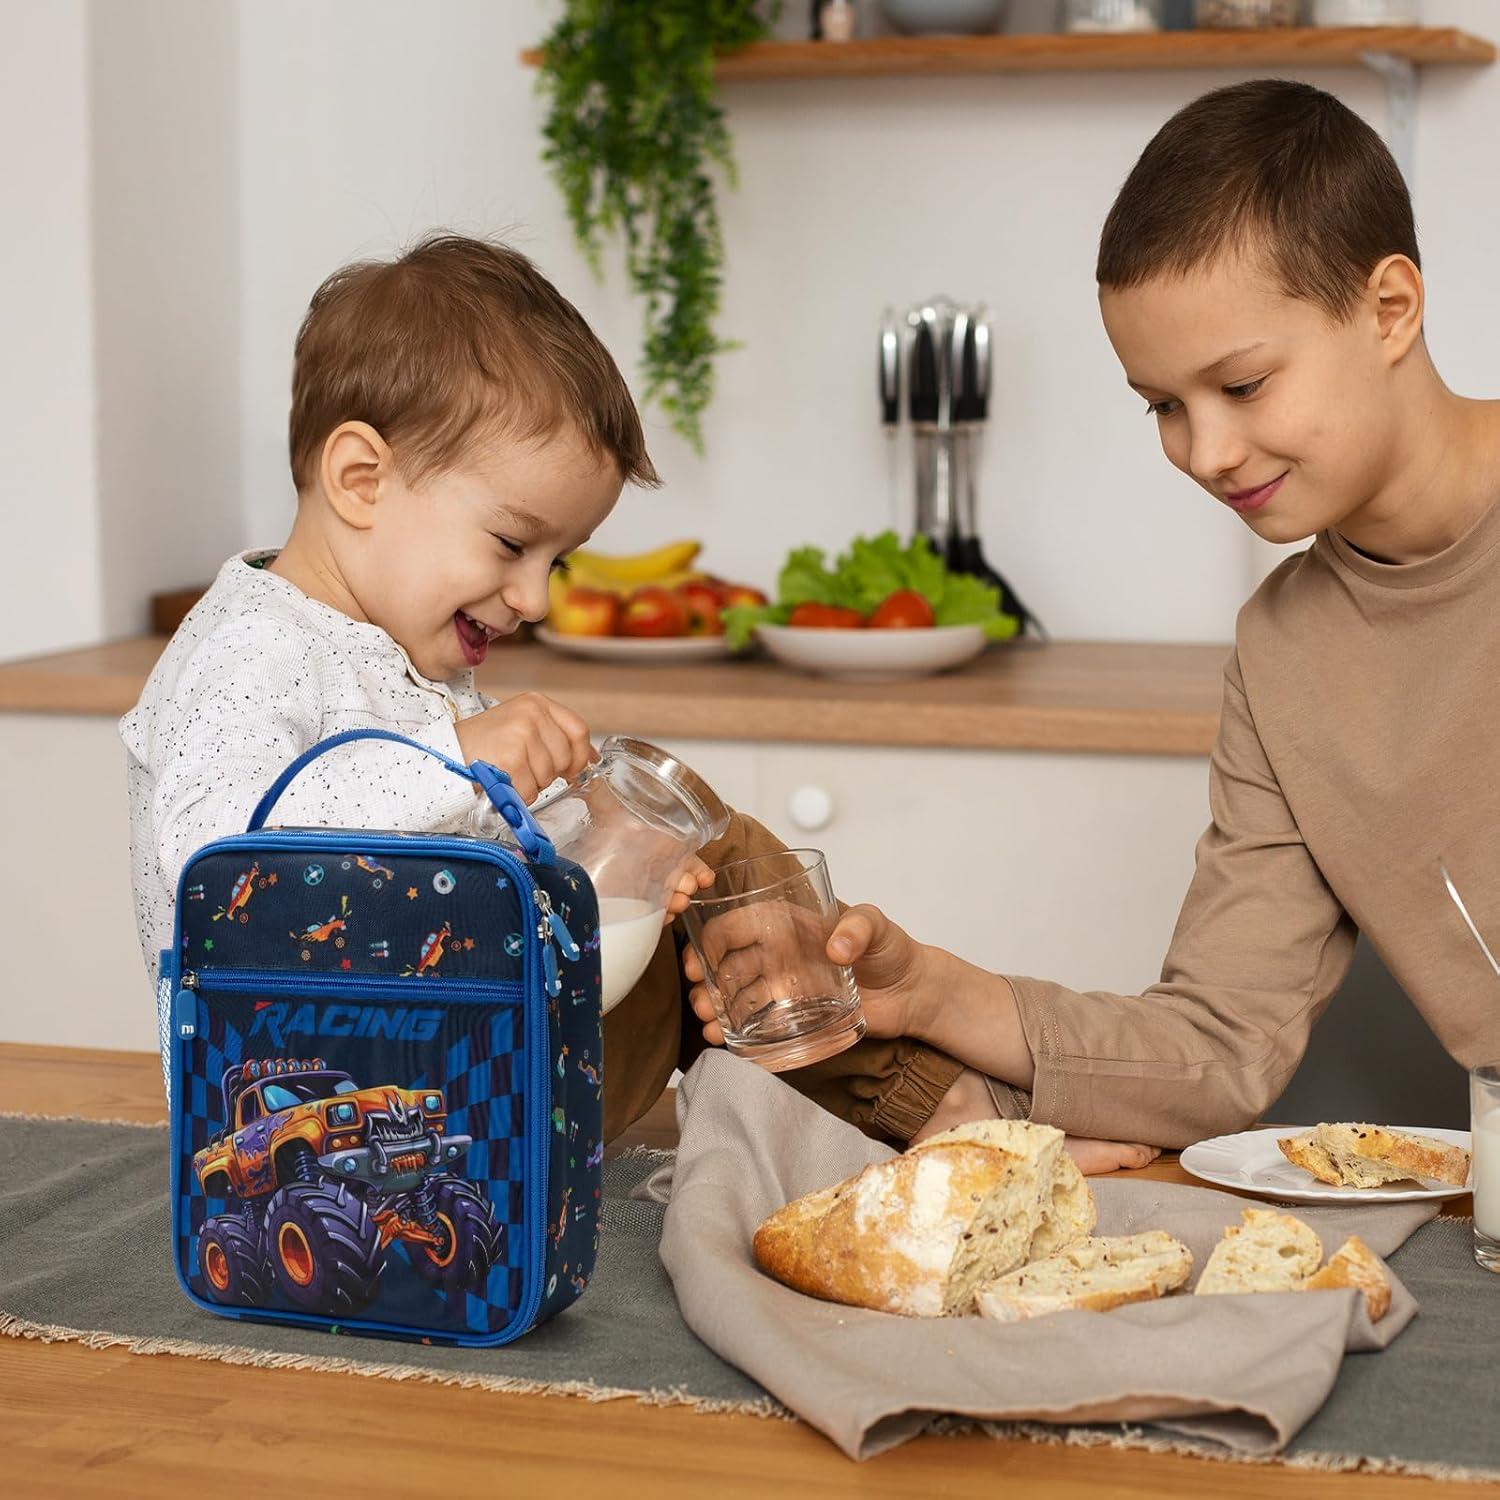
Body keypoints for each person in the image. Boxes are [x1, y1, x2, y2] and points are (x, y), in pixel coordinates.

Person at [688, 79, 1500, 1154]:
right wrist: (929, 991)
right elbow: (1219, 1046)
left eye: (1244, 387)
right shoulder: (1286, 652)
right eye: (1164, 405)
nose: (1205, 453)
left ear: (1390, 308)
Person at [121, 232, 1000, 1156]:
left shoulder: (400, 645)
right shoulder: (247, 649)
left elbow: (450, 859)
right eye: (511, 545)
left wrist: (584, 832)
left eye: (558, 561)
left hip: (457, 1070)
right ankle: (933, 1112)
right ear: (360, 480)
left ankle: (914, 1103)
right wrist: (460, 760)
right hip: (334, 1109)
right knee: (723, 865)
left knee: (698, 853)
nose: (536, 600)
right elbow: (213, 869)